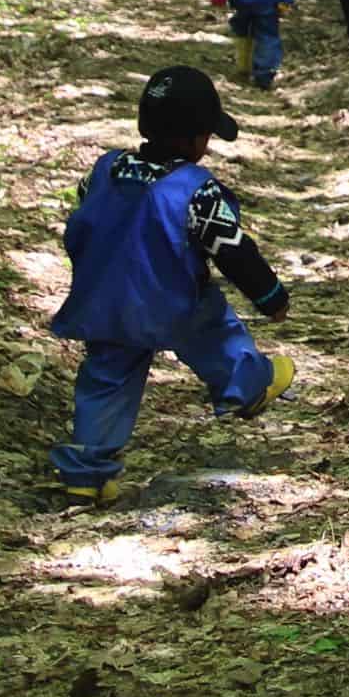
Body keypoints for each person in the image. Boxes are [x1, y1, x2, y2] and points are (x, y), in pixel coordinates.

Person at [48, 67, 297, 505]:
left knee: (106, 379)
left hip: (106, 304)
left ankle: (86, 474)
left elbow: (88, 214)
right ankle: (247, 385)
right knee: (215, 331)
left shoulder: (105, 170)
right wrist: (271, 297)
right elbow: (233, 251)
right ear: (194, 140)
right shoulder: (199, 193)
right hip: (174, 301)